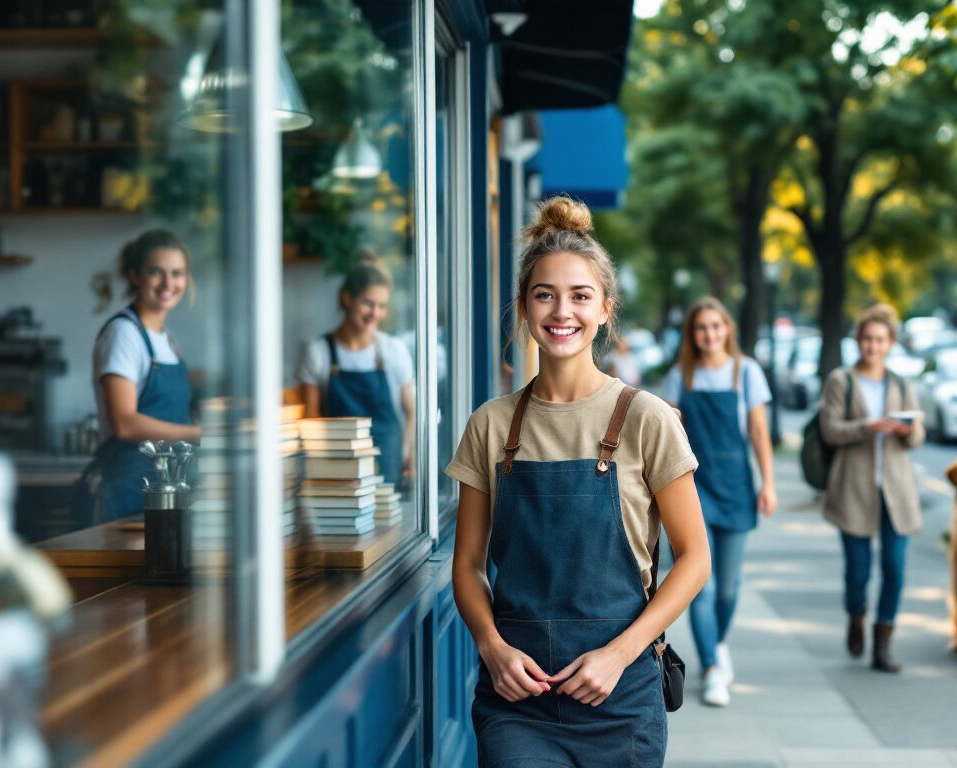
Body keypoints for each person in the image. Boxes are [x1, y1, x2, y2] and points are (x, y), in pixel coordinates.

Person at [447, 197, 710, 768]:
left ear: (605, 309)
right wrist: (491, 648)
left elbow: (695, 558)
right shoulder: (491, 425)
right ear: (524, 307)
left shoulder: (646, 419)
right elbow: (467, 563)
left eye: (580, 296)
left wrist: (619, 655)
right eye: (544, 294)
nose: (561, 311)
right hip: (518, 699)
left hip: (621, 697)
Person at [662, 296, 777, 707]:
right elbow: (669, 431)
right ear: (692, 334)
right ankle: (711, 666)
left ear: (727, 329)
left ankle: (718, 644)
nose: (709, 334)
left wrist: (768, 483)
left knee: (728, 588)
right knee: (701, 585)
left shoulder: (747, 372)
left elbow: (759, 432)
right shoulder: (681, 375)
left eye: (716, 326)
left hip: (736, 486)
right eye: (701, 327)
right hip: (694, 489)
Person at [820, 303, 925, 673]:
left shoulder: (901, 384)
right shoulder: (841, 381)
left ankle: (883, 643)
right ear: (858, 340)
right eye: (867, 338)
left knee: (895, 569)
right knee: (859, 572)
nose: (873, 346)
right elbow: (830, 430)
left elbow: (918, 436)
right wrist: (868, 426)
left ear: (890, 343)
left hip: (896, 490)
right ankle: (856, 614)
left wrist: (908, 430)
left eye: (880, 340)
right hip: (854, 488)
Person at [87, 229, 201, 522]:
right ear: (135, 276)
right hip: (130, 492)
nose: (168, 283)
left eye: (177, 273)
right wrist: (197, 434)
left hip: (167, 490)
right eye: (156, 272)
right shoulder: (123, 334)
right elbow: (125, 424)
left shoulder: (166, 339)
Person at [296, 257, 415, 486]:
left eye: (382, 306)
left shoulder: (393, 350)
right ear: (347, 298)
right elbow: (310, 422)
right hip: (337, 473)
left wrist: (411, 454)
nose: (375, 313)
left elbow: (412, 412)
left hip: (388, 469)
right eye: (368, 303)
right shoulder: (317, 351)